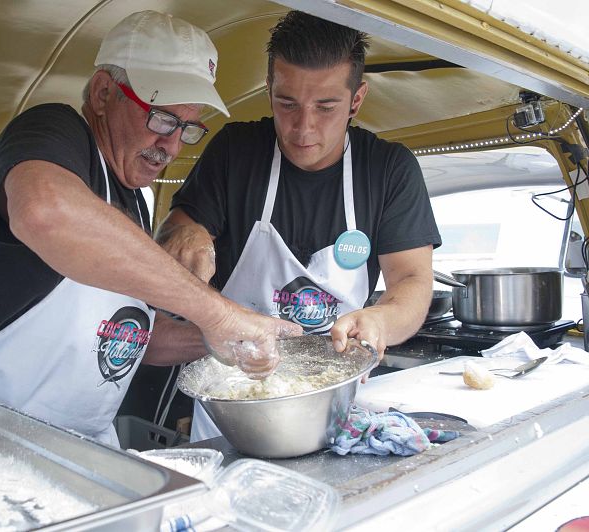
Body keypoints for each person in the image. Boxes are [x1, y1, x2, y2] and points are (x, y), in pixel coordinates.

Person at [0, 10, 301, 446]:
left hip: (83, 442)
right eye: (161, 118)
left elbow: (133, 336)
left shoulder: (134, 202)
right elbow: (45, 211)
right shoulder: (56, 133)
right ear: (103, 93)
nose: (171, 145)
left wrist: (223, 339)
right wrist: (218, 312)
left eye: (187, 128)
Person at [157, 11, 441, 442]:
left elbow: (412, 279)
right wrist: (186, 234)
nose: (303, 128)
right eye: (287, 103)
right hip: (233, 405)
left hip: (334, 403)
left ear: (356, 100)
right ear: (270, 90)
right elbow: (174, 241)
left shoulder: (387, 169)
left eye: (326, 107)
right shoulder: (235, 152)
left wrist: (382, 320)